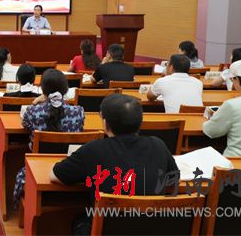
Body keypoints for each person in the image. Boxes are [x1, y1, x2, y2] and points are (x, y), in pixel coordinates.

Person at [49, 94, 178, 234]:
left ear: (104, 123)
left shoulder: (93, 149)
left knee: (80, 220)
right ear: (140, 122)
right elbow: (174, 180)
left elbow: (55, 176)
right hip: (151, 230)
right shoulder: (158, 145)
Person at [12, 69, 85, 207]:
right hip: (69, 166)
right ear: (65, 89)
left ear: (42, 89)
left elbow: (25, 124)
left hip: (38, 167)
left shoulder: (33, 111)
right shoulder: (78, 112)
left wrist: (35, 102)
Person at [203, 59, 241, 157]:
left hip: (236, 160)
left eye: (232, 79)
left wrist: (215, 117)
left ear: (237, 80)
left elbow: (210, 131)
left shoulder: (232, 105)